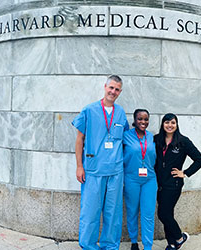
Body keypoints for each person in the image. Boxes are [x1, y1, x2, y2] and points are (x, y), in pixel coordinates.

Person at [72, 75, 129, 250]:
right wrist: (79, 166)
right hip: (93, 169)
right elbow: (80, 139)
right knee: (91, 211)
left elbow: (125, 140)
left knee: (113, 212)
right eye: (111, 87)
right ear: (105, 87)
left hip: (115, 171)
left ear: (120, 92)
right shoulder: (89, 110)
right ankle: (88, 245)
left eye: (117, 89)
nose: (113, 91)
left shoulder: (120, 113)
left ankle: (110, 245)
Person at [154, 113, 201, 250]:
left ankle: (180, 237)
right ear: (163, 124)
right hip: (159, 184)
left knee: (163, 213)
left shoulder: (183, 141)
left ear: (176, 125)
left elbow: (200, 160)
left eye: (172, 123)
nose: (169, 125)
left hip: (173, 184)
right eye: (167, 122)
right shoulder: (157, 140)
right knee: (168, 214)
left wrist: (185, 173)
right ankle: (171, 244)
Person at [123, 109, 157, 250]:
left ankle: (147, 246)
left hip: (149, 179)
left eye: (146, 119)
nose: (143, 122)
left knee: (148, 214)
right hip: (131, 179)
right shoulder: (126, 136)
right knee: (132, 212)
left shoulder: (152, 137)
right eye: (140, 119)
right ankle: (134, 242)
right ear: (134, 120)